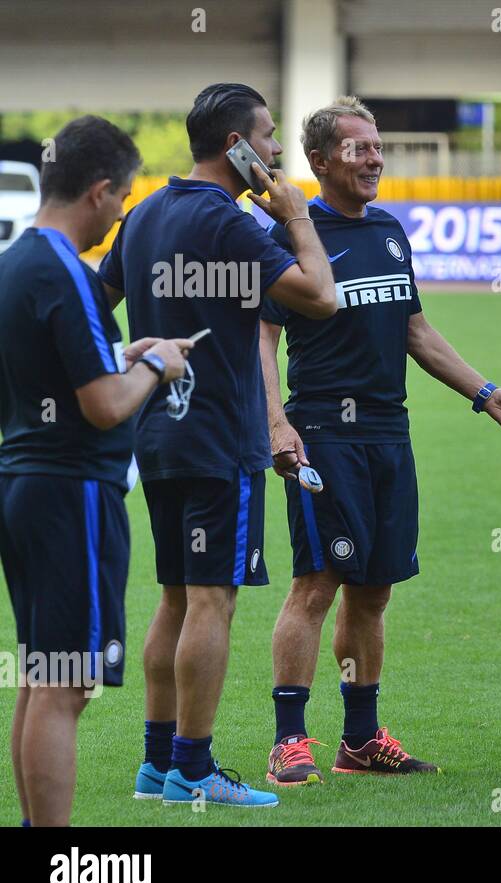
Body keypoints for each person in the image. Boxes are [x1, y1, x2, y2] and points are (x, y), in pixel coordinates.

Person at [259, 97, 501, 785]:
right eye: (357, 148)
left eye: (376, 145)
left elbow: (415, 330)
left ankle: (360, 739)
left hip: (391, 432)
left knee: (375, 591)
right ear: (320, 162)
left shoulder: (388, 230)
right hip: (325, 430)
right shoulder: (291, 237)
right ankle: (289, 739)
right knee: (316, 584)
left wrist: (484, 391)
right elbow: (260, 341)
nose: (374, 157)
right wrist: (276, 423)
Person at [99, 82, 338, 808]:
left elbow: (92, 301)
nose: (274, 150)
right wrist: (296, 217)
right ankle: (195, 770)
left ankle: (155, 763)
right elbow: (321, 296)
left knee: (174, 598)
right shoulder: (232, 225)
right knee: (213, 602)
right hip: (220, 439)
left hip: (157, 433)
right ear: (235, 145)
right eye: (267, 137)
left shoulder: (141, 217)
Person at [0, 116, 189, 826]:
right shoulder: (67, 271)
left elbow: (46, 376)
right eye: (121, 199)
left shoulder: (15, 261)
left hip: (23, 481)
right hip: (70, 491)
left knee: (41, 673)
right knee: (68, 684)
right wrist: (151, 362)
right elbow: (107, 406)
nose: (118, 215)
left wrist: (117, 357)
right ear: (100, 191)